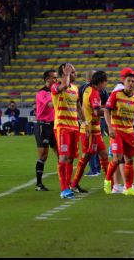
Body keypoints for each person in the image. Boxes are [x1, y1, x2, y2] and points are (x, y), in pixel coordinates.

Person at [105, 68, 134, 196]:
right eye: (128, 81)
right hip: (117, 131)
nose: (131, 83)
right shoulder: (115, 95)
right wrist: (110, 128)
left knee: (129, 160)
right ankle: (107, 181)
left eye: (133, 81)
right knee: (117, 159)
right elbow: (107, 111)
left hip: (129, 132)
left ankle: (128, 188)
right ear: (124, 81)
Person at [71, 71, 112, 194]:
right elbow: (96, 112)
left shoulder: (88, 89)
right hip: (90, 131)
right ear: (100, 82)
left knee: (104, 155)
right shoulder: (94, 93)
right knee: (86, 156)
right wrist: (109, 110)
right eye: (105, 82)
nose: (106, 84)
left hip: (94, 130)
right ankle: (74, 184)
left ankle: (110, 184)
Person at [51, 63, 83, 200]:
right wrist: (66, 75)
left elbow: (78, 107)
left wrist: (85, 123)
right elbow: (63, 86)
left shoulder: (76, 88)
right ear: (64, 72)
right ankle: (63, 189)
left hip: (74, 127)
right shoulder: (55, 86)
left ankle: (68, 186)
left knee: (70, 158)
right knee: (63, 157)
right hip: (62, 127)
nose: (74, 74)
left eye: (74, 72)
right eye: (72, 72)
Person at [34, 70, 57, 192]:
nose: (56, 80)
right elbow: (51, 105)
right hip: (43, 126)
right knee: (43, 155)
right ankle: (39, 184)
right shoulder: (42, 92)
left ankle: (65, 182)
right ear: (47, 79)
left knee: (61, 155)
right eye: (54, 78)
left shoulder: (54, 91)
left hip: (54, 126)